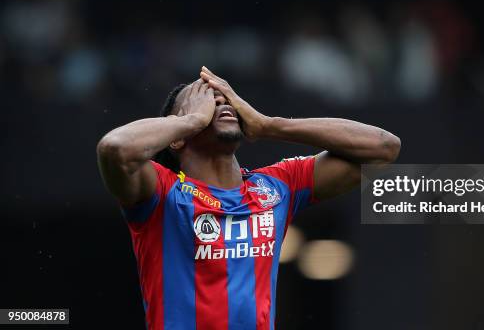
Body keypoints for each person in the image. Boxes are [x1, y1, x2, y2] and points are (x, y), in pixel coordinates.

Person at [96, 66, 401, 330]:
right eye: (205, 101)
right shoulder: (163, 191)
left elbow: (383, 148)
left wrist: (269, 125)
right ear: (175, 137)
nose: (221, 103)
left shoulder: (276, 186)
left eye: (225, 98)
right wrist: (191, 121)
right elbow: (114, 149)